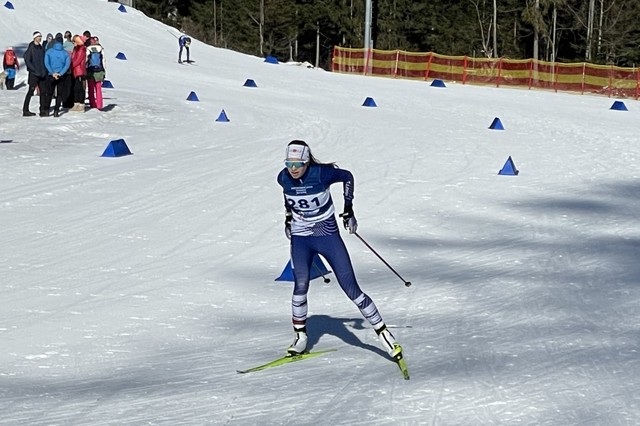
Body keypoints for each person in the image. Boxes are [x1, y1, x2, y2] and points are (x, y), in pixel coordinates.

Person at [276, 140, 403, 360]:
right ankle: (300, 337)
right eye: (289, 163)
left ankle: (384, 334)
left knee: (350, 287)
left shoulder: (322, 174)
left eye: (298, 164)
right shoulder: (283, 177)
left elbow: (347, 177)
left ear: (307, 162)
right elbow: (288, 198)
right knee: (301, 284)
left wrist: (349, 209)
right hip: (301, 238)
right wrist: (288, 219)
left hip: (327, 235)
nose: (293, 169)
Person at [43, 33, 70, 117]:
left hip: (51, 75)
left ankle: (47, 110)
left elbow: (46, 63)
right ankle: (56, 110)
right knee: (59, 94)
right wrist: (60, 73)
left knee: (49, 93)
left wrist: (52, 72)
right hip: (61, 76)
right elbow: (67, 65)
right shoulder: (66, 53)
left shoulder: (49, 51)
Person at [22, 31, 47, 117]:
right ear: (34, 38)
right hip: (34, 74)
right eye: (39, 36)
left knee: (43, 92)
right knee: (31, 91)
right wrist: (34, 70)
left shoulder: (41, 48)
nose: (40, 38)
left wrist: (44, 71)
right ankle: (25, 110)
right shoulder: (31, 48)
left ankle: (42, 110)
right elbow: (27, 60)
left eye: (41, 36)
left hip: (42, 74)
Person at [85, 36, 105, 110]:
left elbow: (86, 60)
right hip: (99, 70)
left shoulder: (88, 48)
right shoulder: (101, 49)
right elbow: (103, 60)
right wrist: (104, 70)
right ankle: (99, 104)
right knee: (98, 88)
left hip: (90, 70)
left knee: (91, 88)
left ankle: (92, 104)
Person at [69, 34, 87, 112]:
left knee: (80, 88)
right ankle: (76, 104)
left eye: (74, 41)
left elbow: (77, 60)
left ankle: (81, 104)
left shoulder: (81, 49)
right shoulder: (76, 49)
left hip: (80, 71)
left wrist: (71, 65)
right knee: (76, 88)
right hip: (76, 71)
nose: (73, 43)